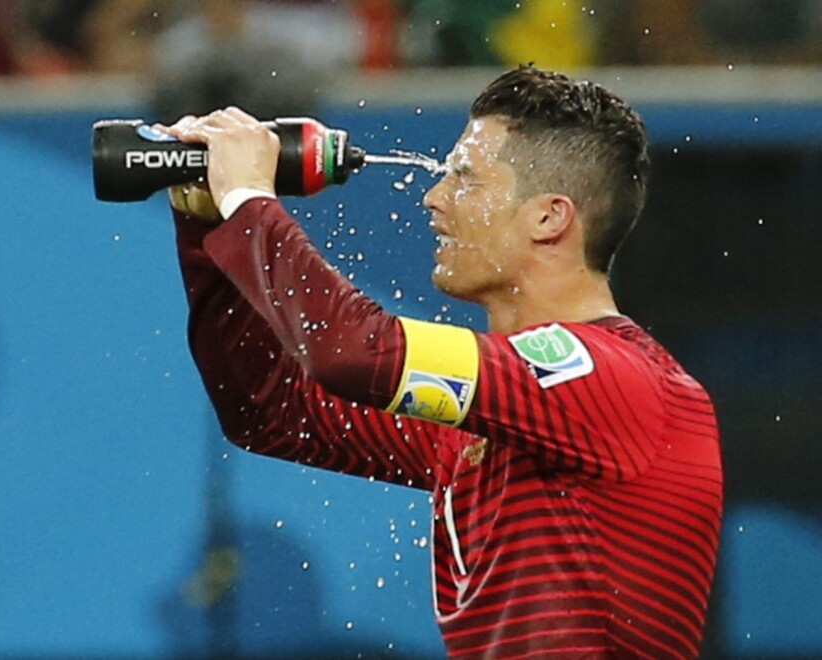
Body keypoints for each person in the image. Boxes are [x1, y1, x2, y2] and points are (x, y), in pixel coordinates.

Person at [161, 65, 723, 659]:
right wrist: (206, 223)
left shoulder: (610, 378)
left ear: (548, 218)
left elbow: (354, 350)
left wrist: (250, 201)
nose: (434, 198)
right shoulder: (502, 418)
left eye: (465, 179)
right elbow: (272, 408)